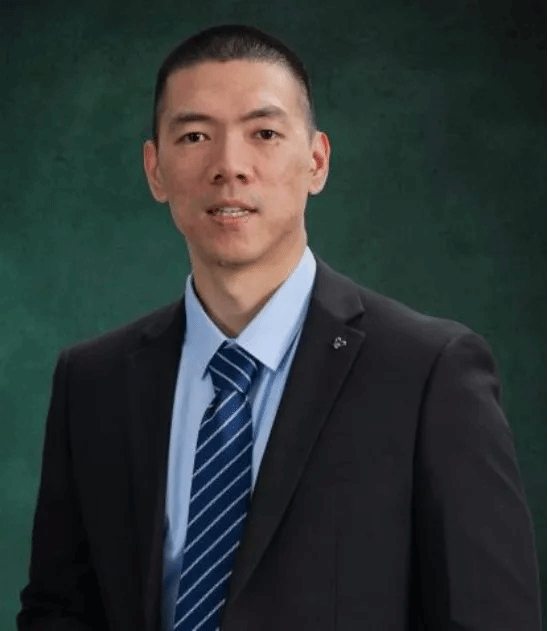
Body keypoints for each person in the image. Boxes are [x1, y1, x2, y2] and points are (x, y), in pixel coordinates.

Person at [17, 23, 542, 631]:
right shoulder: (93, 382)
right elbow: (59, 612)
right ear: (155, 169)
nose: (229, 166)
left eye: (263, 133)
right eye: (195, 136)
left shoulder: (429, 372)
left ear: (316, 161)